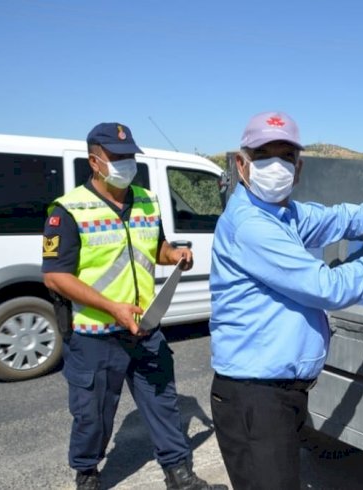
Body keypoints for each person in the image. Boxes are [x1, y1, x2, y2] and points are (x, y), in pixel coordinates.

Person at [209, 111, 363, 489]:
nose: (277, 165)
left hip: (276, 396)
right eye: (264, 154)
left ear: (298, 169)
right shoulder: (251, 226)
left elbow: (340, 219)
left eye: (286, 157)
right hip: (254, 399)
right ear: (241, 163)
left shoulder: (284, 215)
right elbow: (327, 288)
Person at [42, 123, 219, 490]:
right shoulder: (69, 210)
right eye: (117, 157)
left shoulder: (146, 199)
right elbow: (56, 277)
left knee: (163, 403)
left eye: (130, 156)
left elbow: (156, 247)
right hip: (95, 334)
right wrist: (112, 307)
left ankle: (179, 474)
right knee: (92, 415)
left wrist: (175, 255)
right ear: (94, 161)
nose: (127, 163)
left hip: (145, 327)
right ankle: (87, 474)